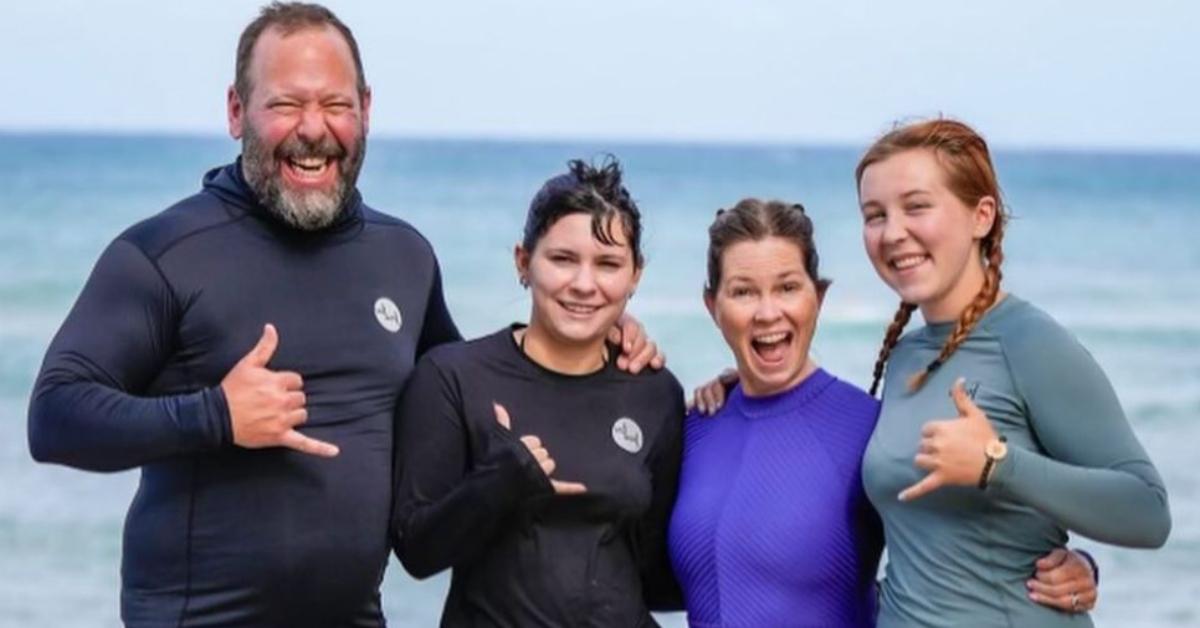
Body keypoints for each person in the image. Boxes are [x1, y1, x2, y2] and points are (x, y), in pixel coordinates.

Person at [26, 4, 658, 626]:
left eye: (335, 105)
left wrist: (600, 337)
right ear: (236, 111)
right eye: (285, 105)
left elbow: (475, 390)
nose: (313, 128)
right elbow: (54, 416)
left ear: (366, 111)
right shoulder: (164, 254)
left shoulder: (402, 257)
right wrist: (214, 415)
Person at [682, 200, 1102, 626]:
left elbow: (973, 548)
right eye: (743, 292)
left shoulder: (872, 431)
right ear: (712, 306)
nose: (768, 312)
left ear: (818, 297)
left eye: (788, 287)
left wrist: (1078, 566)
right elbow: (632, 565)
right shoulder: (694, 427)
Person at [856, 118, 1170, 626]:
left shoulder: (1029, 343)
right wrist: (738, 390)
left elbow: (1148, 511)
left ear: (981, 216)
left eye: (916, 206)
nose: (893, 233)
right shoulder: (905, 357)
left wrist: (998, 464)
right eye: (874, 215)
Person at [392, 158, 683, 626]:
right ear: (523, 262)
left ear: (635, 276)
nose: (584, 284)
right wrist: (498, 483)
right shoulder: (453, 376)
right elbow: (416, 550)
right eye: (563, 259)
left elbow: (659, 574)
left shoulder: (655, 392)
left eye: (608, 264)